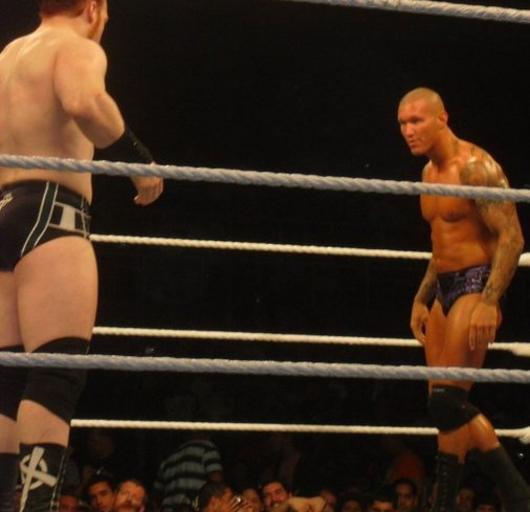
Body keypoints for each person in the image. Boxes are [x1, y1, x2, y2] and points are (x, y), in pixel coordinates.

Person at [0, 0, 163, 509]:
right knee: (56, 371)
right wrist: (139, 163)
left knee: (8, 380)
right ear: (94, 7)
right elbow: (84, 101)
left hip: (4, 208)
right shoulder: (74, 46)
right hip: (52, 210)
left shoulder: (8, 56)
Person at [398, 87, 529, 512]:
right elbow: (440, 247)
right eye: (402, 123)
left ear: (442, 118)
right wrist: (421, 297)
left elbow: (512, 237)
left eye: (416, 120)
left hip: (476, 283)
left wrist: (490, 301)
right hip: (443, 287)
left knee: (447, 402)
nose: (408, 130)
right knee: (444, 411)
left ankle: (517, 494)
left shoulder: (476, 167)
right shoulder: (427, 175)